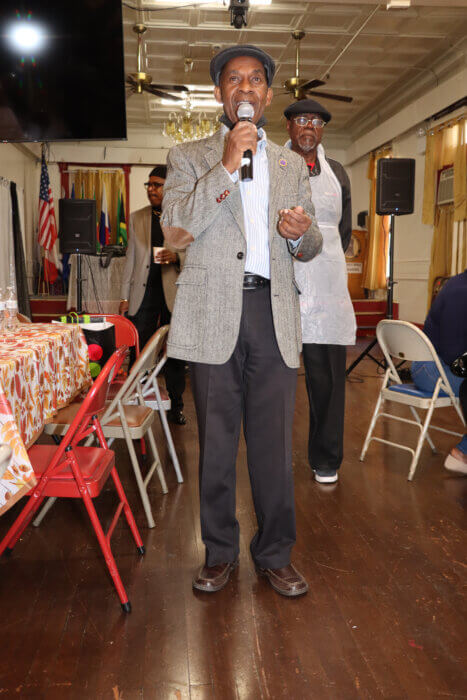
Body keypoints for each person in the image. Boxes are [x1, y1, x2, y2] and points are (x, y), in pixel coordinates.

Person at [161, 45, 323, 597]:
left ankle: (275, 553)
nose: (246, 88)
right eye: (234, 80)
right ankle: (220, 552)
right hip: (210, 313)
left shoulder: (290, 164)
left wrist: (300, 231)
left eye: (256, 80)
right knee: (217, 444)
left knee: (275, 446)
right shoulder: (188, 157)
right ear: (219, 94)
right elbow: (176, 232)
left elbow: (313, 243)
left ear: (268, 96)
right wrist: (228, 164)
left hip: (271, 313)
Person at [284, 99, 356, 485]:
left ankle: (326, 458)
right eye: (300, 120)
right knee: (274, 376)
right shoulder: (271, 165)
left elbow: (341, 234)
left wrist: (323, 263)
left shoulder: (339, 172)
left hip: (326, 286)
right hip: (281, 279)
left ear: (323, 129)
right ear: (290, 127)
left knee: (327, 378)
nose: (308, 126)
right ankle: (271, 455)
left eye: (315, 121)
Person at [119, 166, 187, 425]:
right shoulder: (137, 218)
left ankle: (176, 405)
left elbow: (194, 254)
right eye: (149, 185)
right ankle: (139, 401)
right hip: (143, 293)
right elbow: (130, 260)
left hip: (174, 292)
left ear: (170, 187)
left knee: (176, 353)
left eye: (157, 185)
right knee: (141, 350)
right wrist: (124, 296)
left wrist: (177, 256)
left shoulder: (183, 217)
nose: (151, 189)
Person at [410, 269, 467, 473]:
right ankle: (462, 454)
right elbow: (452, 353)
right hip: (431, 369)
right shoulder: (461, 292)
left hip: (441, 364)